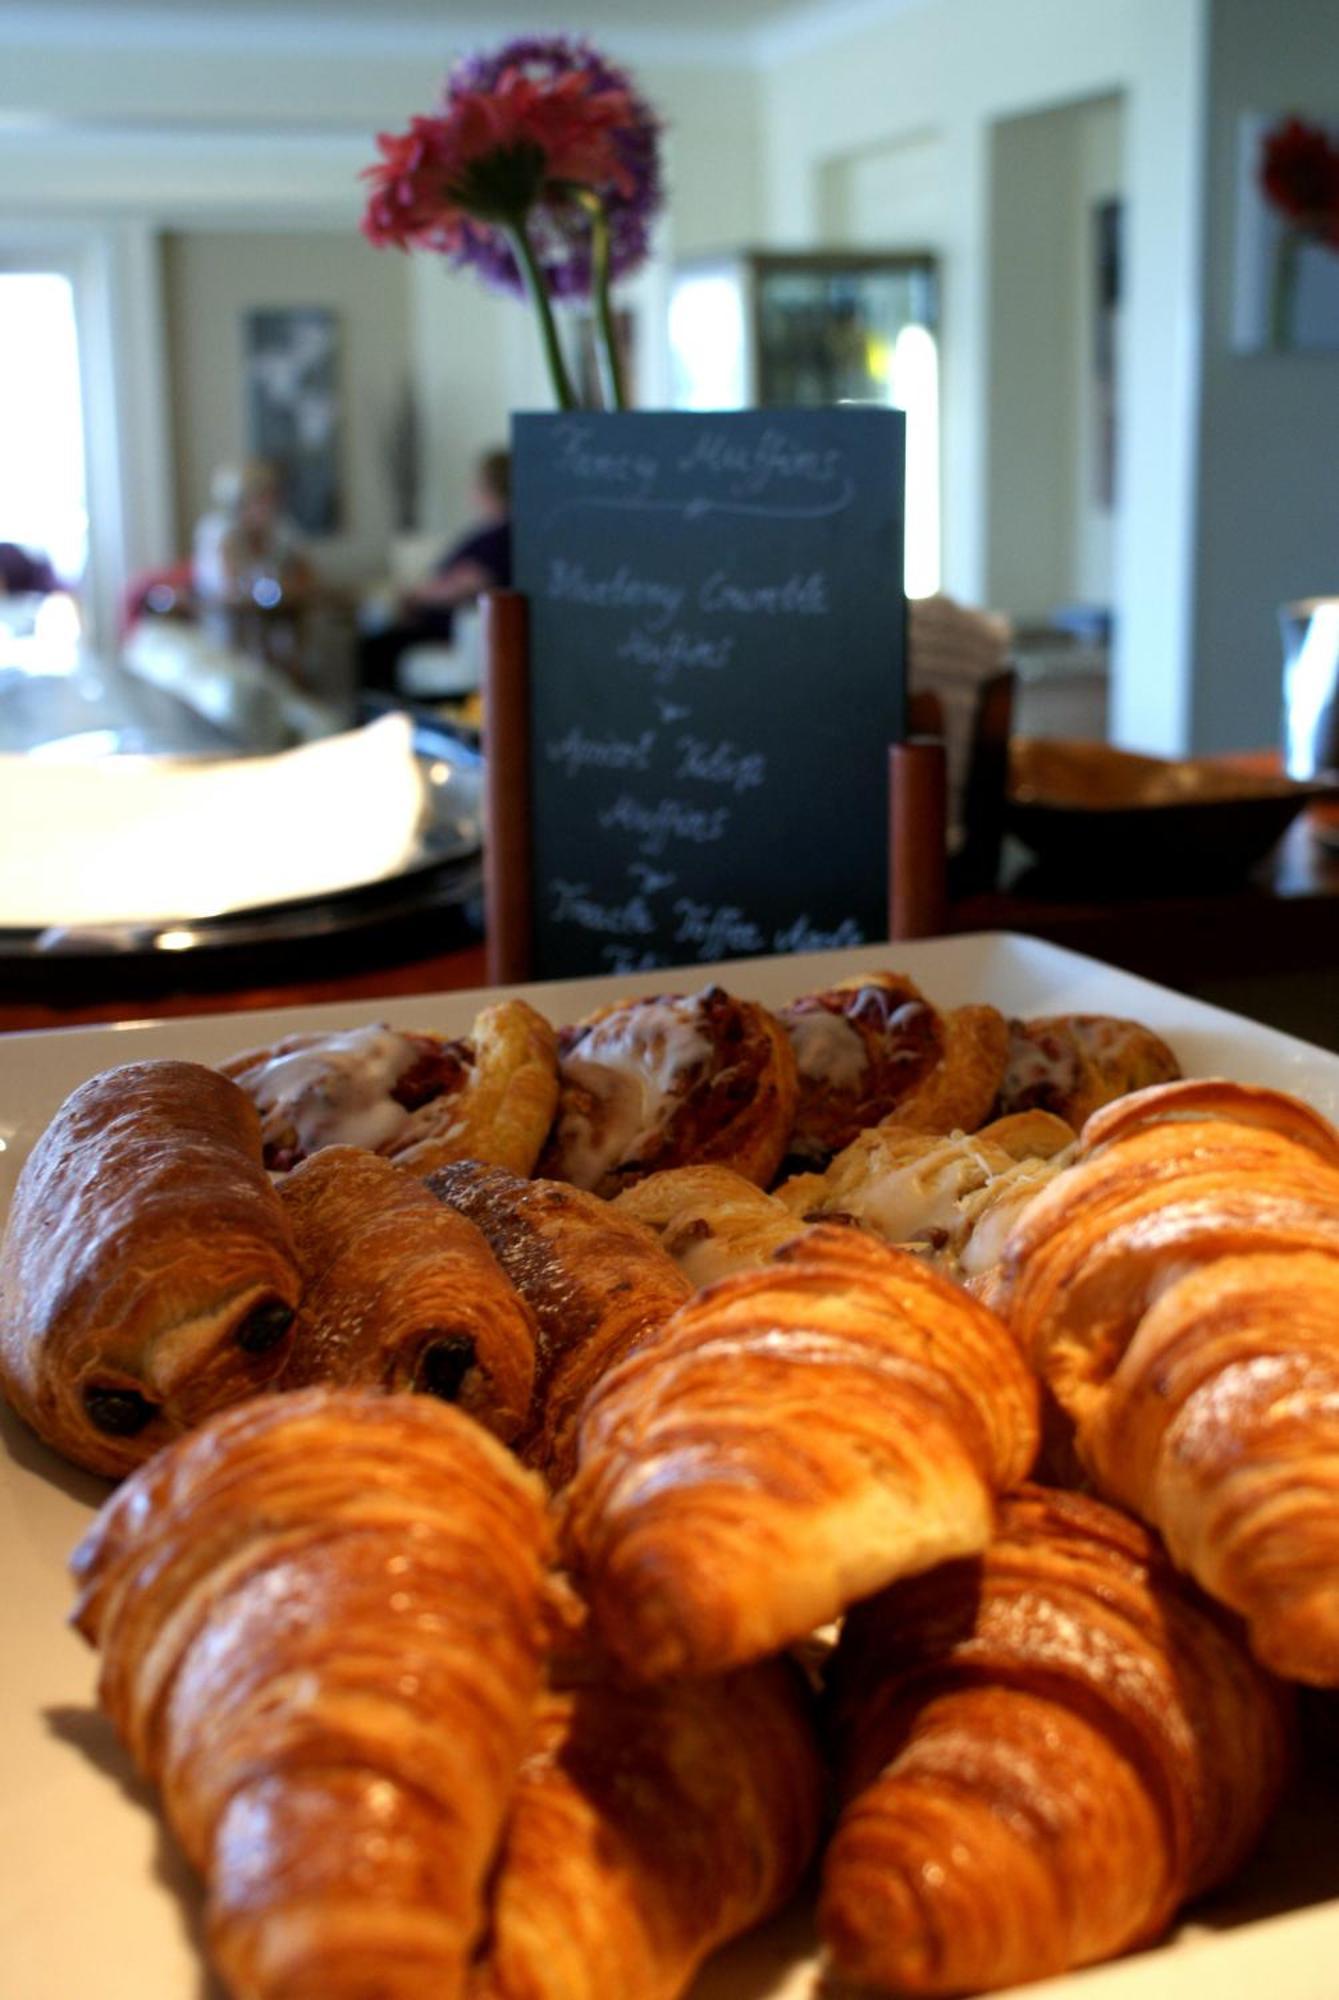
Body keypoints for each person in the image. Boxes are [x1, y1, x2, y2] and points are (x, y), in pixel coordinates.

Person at [360, 448, 511, 695]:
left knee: (376, 647)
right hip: (434, 619)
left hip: (449, 627)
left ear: (488, 487)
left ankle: (384, 725)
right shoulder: (491, 533)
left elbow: (469, 582)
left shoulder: (499, 538)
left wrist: (414, 597)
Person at [193, 460, 315, 613]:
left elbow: (307, 580)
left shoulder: (282, 529)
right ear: (238, 502)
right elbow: (228, 591)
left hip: (279, 617)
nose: (270, 505)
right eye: (261, 497)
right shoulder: (217, 530)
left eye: (273, 496)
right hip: (227, 620)